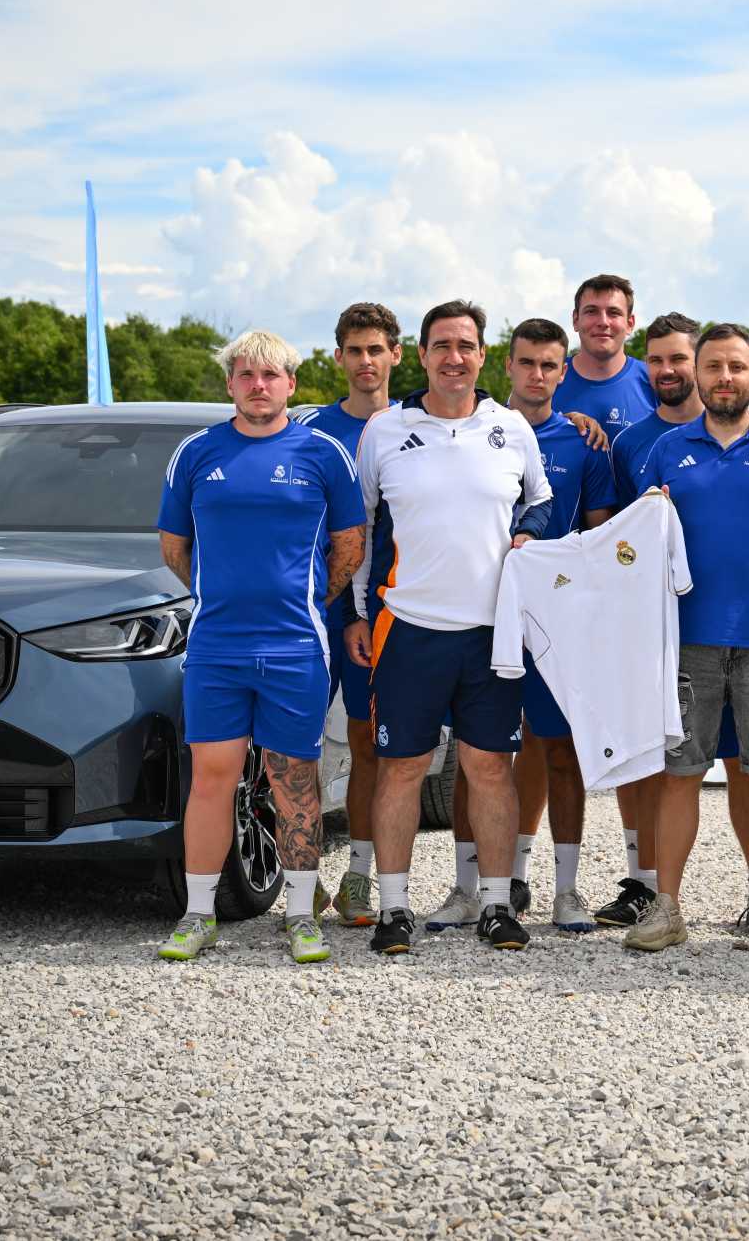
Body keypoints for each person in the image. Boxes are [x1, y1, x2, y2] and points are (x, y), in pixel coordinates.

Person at [346, 300, 552, 955]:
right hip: (407, 626)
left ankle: (496, 904)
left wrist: (528, 533)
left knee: (489, 767)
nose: (454, 358)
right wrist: (358, 612)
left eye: (465, 346)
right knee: (402, 767)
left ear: (483, 356)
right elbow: (361, 526)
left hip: (492, 632)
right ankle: (393, 908)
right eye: (441, 345)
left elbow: (542, 501)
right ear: (421, 354)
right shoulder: (385, 430)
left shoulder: (511, 428)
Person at [155, 329, 365, 965]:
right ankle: (198, 914)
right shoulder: (196, 452)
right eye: (246, 375)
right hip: (216, 647)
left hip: (296, 645)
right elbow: (174, 548)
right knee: (212, 780)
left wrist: (304, 600)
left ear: (291, 384)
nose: (258, 386)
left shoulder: (323, 453)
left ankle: (299, 915)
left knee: (293, 781)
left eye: (271, 375)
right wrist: (221, 595)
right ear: (230, 383)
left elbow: (349, 546)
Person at [624, 322, 749, 957]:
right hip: (686, 642)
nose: (724, 378)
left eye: (736, 367)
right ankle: (667, 909)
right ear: (697, 374)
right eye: (713, 366)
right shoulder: (667, 450)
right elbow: (639, 543)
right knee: (680, 774)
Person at [426, 318, 616, 935]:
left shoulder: (583, 443)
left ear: (564, 372)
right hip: (479, 613)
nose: (537, 374)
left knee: (560, 752)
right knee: (477, 754)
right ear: (505, 365)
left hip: (555, 619)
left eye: (549, 364)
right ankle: (467, 888)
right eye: (527, 362)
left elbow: (599, 537)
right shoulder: (474, 428)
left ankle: (566, 891)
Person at [593, 313, 749, 937]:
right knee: (658, 759)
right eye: (658, 360)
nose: (669, 370)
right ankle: (646, 885)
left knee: (746, 763)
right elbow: (621, 538)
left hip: (745, 630)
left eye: (680, 358)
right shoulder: (635, 446)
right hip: (666, 632)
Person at [296, 301, 403, 929]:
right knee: (293, 745)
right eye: (354, 350)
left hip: (379, 611)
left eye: (376, 350)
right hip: (311, 607)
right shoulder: (308, 428)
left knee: (369, 742)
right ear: (338, 357)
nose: (366, 361)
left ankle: (359, 876)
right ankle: (301, 876)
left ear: (395, 355)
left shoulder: (417, 424)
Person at [552, 273, 657, 436]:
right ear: (575, 320)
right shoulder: (547, 377)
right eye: (591, 311)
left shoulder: (655, 382)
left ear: (630, 324)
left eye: (613, 312)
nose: (603, 322)